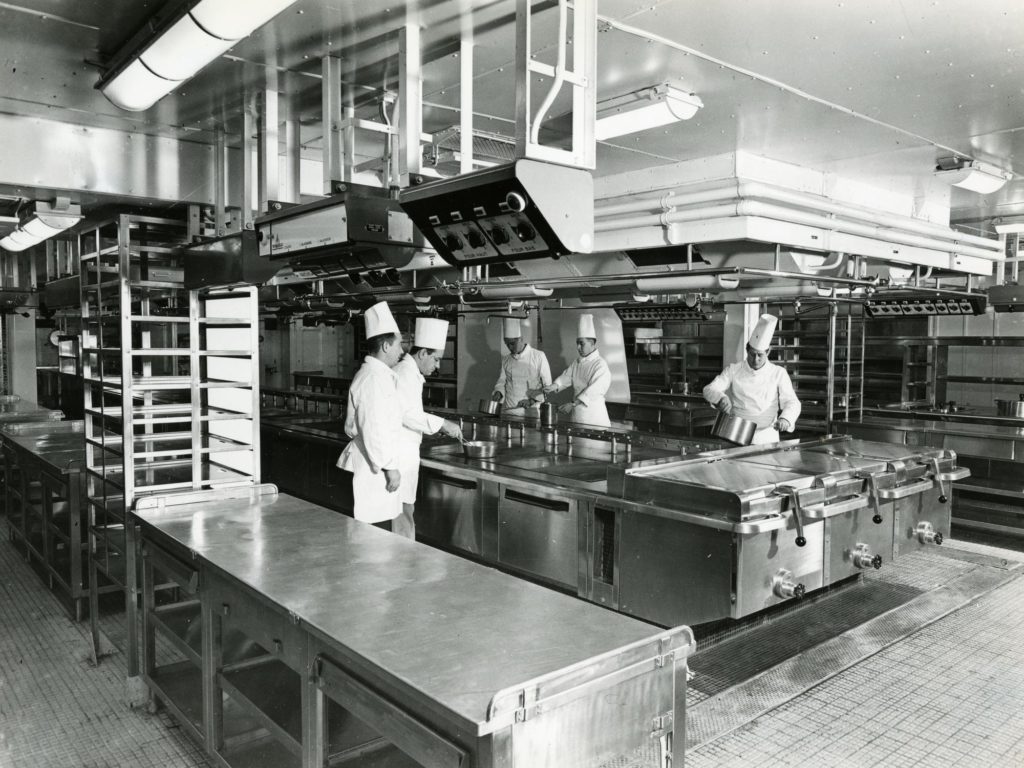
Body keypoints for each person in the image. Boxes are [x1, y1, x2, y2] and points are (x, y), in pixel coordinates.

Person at [393, 317, 463, 539]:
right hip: (400, 457)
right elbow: (407, 414)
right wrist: (443, 424)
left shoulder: (411, 373)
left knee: (403, 516)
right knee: (402, 518)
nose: (438, 365)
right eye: (436, 359)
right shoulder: (405, 373)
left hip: (404, 456)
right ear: (422, 353)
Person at [337, 301, 405, 529]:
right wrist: (390, 467)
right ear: (386, 346)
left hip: (375, 465)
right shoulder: (373, 379)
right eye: (399, 345)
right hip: (374, 469)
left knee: (378, 538)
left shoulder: (378, 376)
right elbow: (374, 427)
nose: (402, 351)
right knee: (373, 541)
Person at [702, 313, 801, 445]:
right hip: (735, 434)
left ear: (768, 352)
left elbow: (792, 402)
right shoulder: (734, 369)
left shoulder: (778, 373)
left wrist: (785, 419)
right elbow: (708, 389)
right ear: (747, 350)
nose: (755, 360)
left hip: (766, 438)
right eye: (752, 354)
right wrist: (720, 398)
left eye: (760, 355)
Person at [532, 313, 612, 428]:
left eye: (581, 343)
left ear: (592, 343)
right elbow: (567, 377)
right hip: (578, 415)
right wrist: (554, 386)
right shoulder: (577, 362)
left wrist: (573, 404)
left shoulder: (600, 365)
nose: (578, 347)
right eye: (577, 343)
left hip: (594, 418)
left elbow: (594, 391)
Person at [490, 318, 552, 416]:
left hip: (531, 411)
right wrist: (498, 392)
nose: (510, 348)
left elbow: (547, 386)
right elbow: (502, 381)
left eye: (512, 344)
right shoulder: (506, 360)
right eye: (507, 344)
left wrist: (531, 401)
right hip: (510, 411)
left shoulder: (538, 356)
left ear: (521, 339)